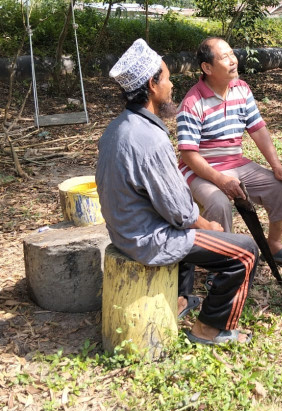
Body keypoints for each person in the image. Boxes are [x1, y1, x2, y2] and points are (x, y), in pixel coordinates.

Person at [96, 39, 257, 345]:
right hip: (146, 241)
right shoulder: (148, 138)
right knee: (244, 251)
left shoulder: (117, 128)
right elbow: (181, 211)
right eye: (167, 78)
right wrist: (208, 226)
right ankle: (209, 329)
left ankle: (181, 299)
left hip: (124, 231)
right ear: (152, 85)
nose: (171, 86)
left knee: (196, 231)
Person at [176, 37, 282, 268]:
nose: (233, 61)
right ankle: (221, 262)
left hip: (236, 163)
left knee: (281, 188)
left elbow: (257, 129)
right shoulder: (192, 102)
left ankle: (274, 245)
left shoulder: (241, 88)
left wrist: (277, 167)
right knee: (218, 202)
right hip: (200, 169)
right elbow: (189, 154)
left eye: (232, 54)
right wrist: (220, 179)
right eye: (224, 57)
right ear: (207, 68)